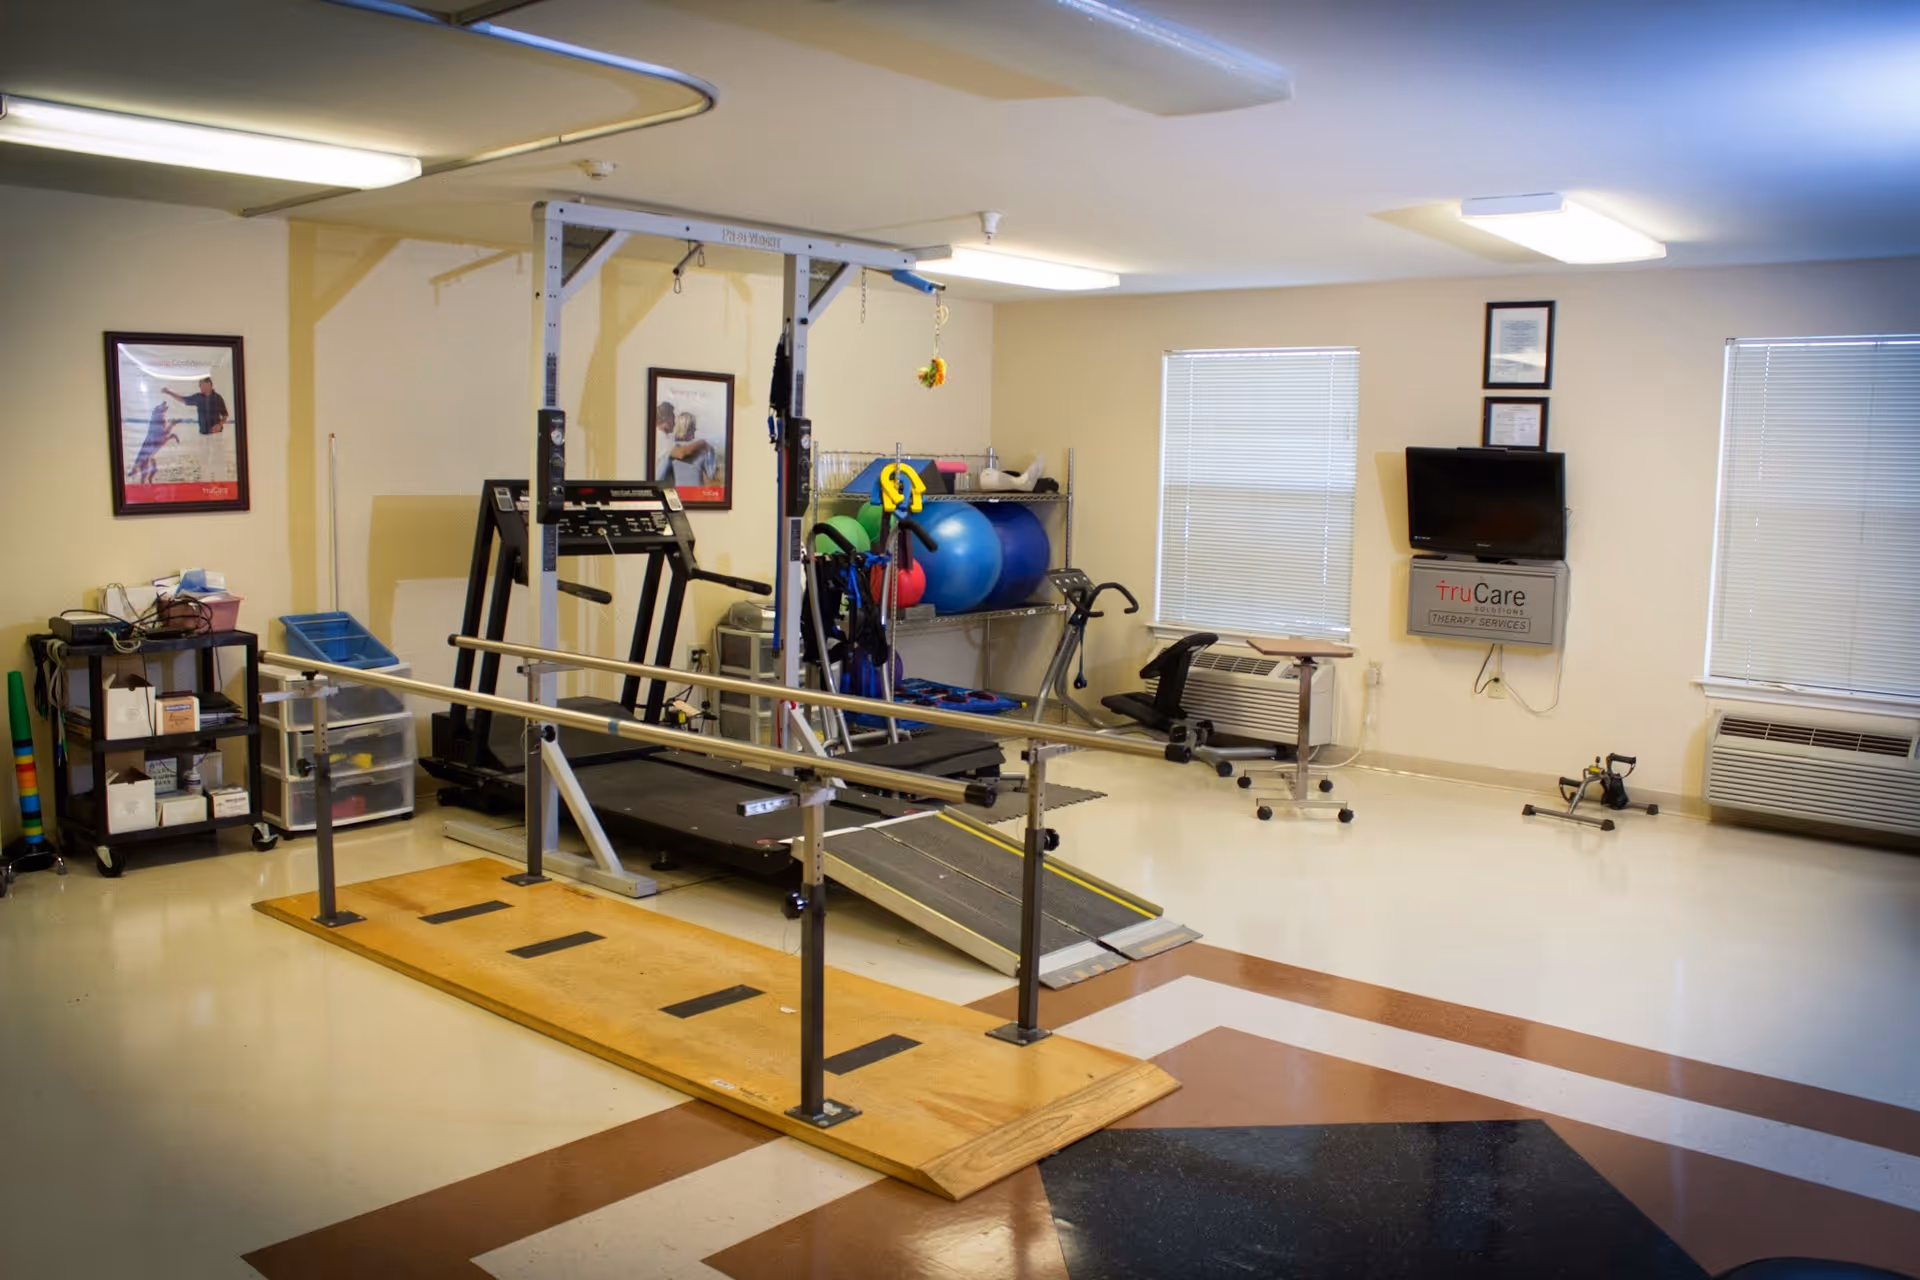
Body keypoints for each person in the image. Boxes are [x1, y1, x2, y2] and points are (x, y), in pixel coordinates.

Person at [162, 376, 229, 482]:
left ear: (209, 385)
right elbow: (183, 400)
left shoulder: (218, 398)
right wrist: (169, 392)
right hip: (203, 436)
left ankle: (220, 483)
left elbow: (225, 415)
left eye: (202, 385)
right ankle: (205, 482)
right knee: (204, 460)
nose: (200, 388)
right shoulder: (198, 397)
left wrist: (220, 424)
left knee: (217, 460)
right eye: (200, 386)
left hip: (217, 436)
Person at [130, 401, 180, 486]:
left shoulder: (159, 420)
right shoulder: (158, 420)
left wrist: (173, 433)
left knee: (148, 468)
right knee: (146, 469)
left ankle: (145, 480)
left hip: (151, 445)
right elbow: (165, 434)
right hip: (151, 446)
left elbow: (165, 435)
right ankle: (142, 480)